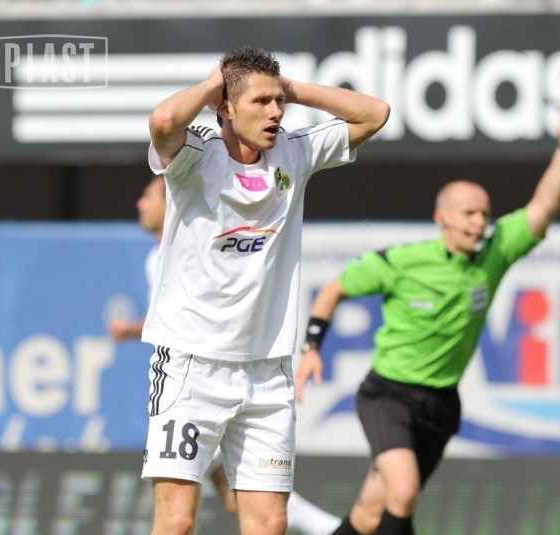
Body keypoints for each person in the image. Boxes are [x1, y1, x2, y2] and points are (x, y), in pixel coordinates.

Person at [295, 90, 560, 535]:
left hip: (441, 405)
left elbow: (544, 207)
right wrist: (312, 347)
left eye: (484, 214)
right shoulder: (403, 261)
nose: (479, 222)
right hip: (389, 396)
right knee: (403, 493)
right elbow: (334, 289)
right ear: (442, 218)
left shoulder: (494, 252)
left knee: (371, 513)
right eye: (469, 213)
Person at [142, 46, 389, 535]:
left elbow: (375, 113)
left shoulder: (293, 152)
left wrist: (290, 89)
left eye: (279, 102)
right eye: (261, 102)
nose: (276, 112)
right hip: (191, 367)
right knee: (176, 523)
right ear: (225, 108)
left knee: (271, 523)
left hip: (267, 373)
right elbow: (165, 119)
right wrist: (215, 84)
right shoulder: (194, 157)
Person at [109, 174, 341, 534]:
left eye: (148, 196)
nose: (140, 204)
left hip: (234, 374)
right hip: (191, 384)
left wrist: (130, 330)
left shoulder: (196, 242)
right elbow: (174, 314)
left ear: (170, 203)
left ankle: (333, 528)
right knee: (207, 510)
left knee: (255, 510)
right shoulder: (156, 256)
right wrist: (133, 330)